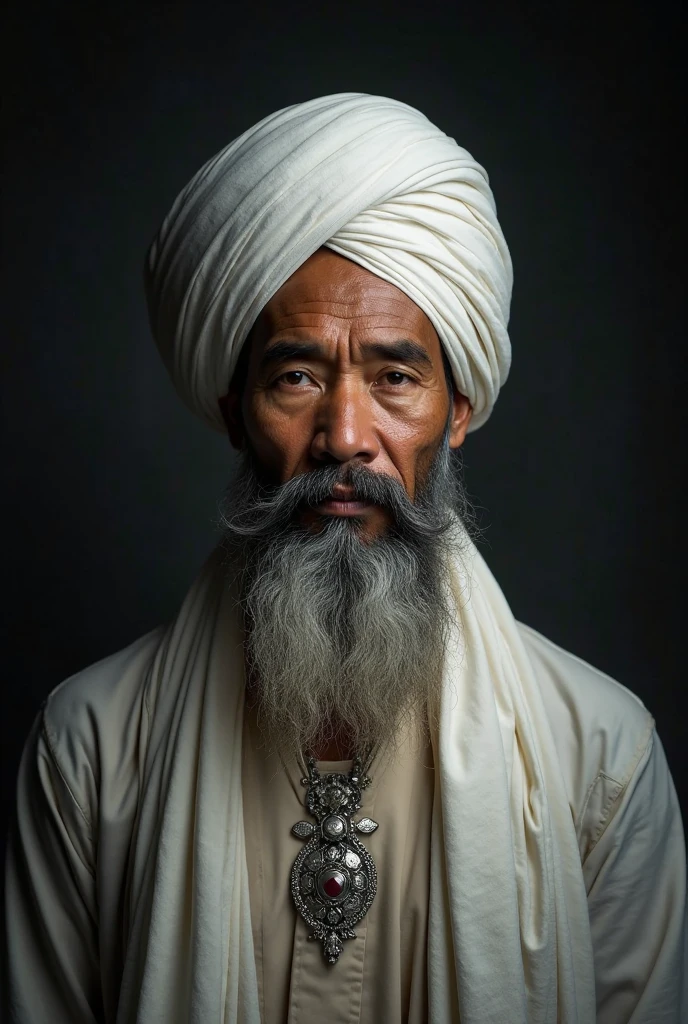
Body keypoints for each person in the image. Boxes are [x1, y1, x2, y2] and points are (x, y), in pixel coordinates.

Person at [3, 93, 686, 1024]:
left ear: (461, 408)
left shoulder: (598, 763)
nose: (344, 437)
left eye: (395, 377)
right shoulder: (90, 752)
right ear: (235, 400)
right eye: (297, 376)